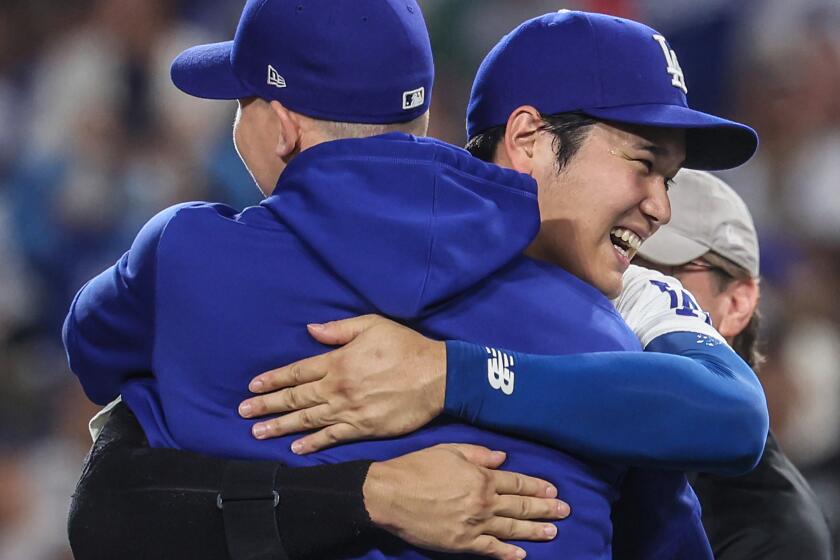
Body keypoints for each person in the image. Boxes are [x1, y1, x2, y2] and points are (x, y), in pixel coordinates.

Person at [63, 8, 764, 560]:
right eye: (643, 163)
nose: (662, 207)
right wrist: (367, 494)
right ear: (526, 140)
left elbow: (735, 416)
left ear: (279, 125)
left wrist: (453, 374)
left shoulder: (191, 260)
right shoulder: (599, 331)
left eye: (666, 177)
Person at [267, 170, 831, 559]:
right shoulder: (547, 383)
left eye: (666, 270)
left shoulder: (768, 526)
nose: (633, 284)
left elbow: (729, 416)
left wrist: (454, 374)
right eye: (623, 254)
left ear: (736, 303)